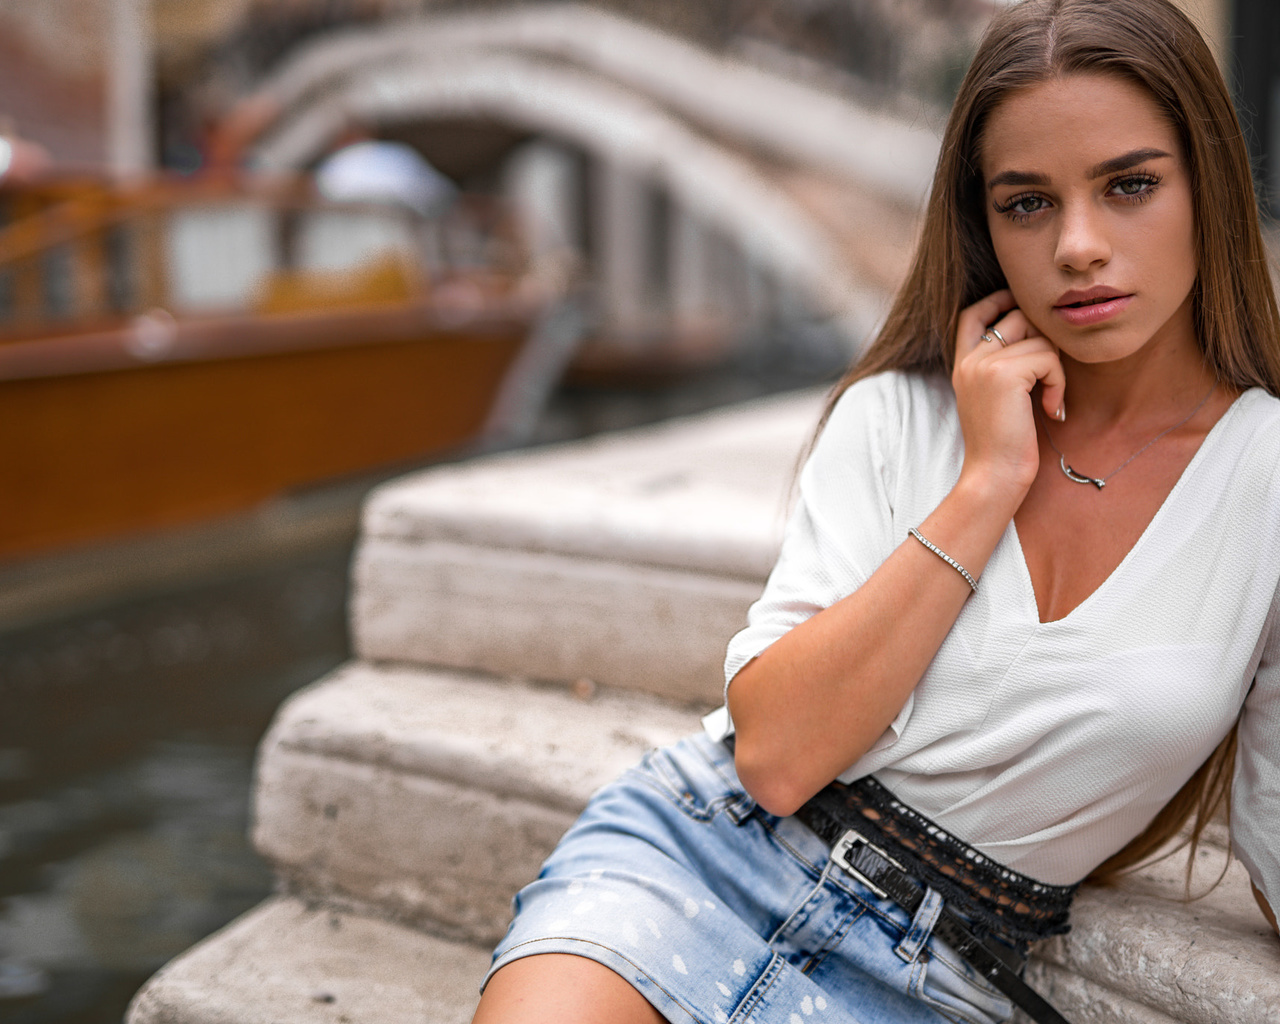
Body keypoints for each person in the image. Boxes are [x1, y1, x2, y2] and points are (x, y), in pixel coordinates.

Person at [472, 1, 1280, 1021]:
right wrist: (985, 481)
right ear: (981, 221)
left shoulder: (1264, 476)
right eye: (1025, 203)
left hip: (942, 974)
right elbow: (772, 755)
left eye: (1127, 186)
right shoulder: (898, 413)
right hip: (701, 854)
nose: (1078, 245)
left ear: (1205, 186)